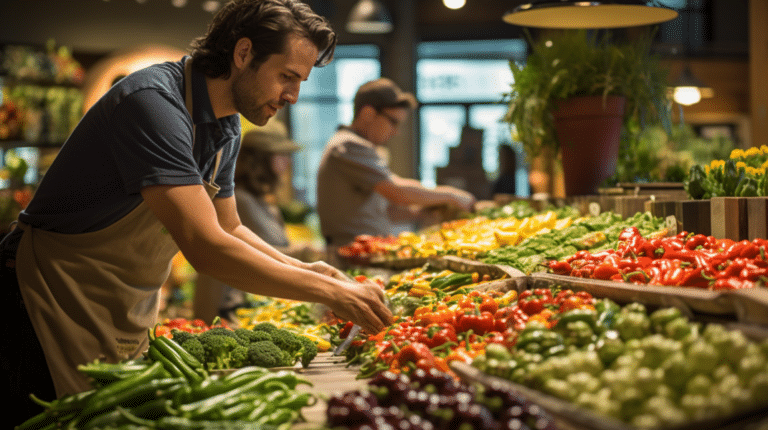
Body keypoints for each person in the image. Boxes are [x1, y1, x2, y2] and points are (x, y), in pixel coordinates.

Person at [0, 0, 392, 426]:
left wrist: (315, 272)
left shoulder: (225, 126)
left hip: (116, 306)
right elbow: (205, 248)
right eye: (286, 77)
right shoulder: (153, 104)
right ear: (243, 54)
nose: (293, 97)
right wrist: (331, 294)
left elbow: (229, 227)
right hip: (42, 300)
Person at [316, 77, 477, 253]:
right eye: (393, 121)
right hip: (352, 254)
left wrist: (423, 212)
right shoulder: (349, 146)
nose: (396, 132)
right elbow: (397, 191)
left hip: (366, 250)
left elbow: (386, 211)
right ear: (368, 113)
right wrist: (452, 195)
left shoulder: (360, 148)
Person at [194, 117, 323, 324]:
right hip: (229, 310)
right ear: (261, 159)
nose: (287, 162)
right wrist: (306, 253)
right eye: (281, 155)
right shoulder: (240, 201)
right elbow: (253, 255)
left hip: (249, 304)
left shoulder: (260, 199)